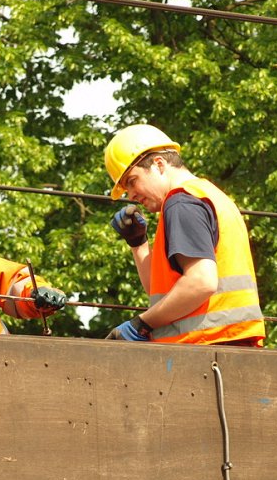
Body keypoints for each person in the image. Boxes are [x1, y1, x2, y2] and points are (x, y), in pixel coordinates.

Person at [104, 124, 265, 346]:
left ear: (159, 164)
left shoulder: (181, 202)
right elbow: (166, 293)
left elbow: (200, 282)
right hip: (226, 344)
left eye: (132, 181)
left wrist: (141, 323)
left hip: (205, 350)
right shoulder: (209, 195)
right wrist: (138, 243)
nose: (130, 194)